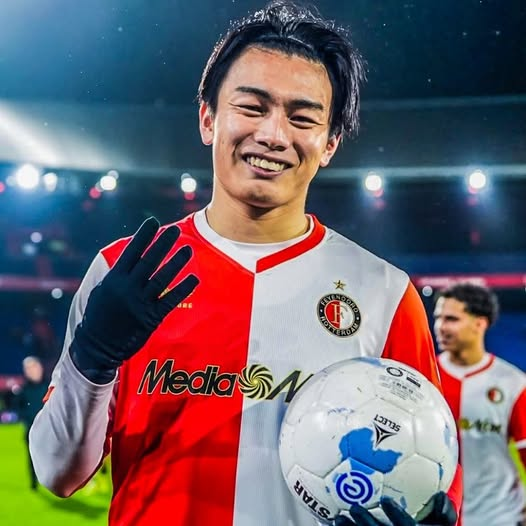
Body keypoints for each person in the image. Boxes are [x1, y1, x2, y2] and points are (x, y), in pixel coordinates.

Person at [29, 2, 461, 525]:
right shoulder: (123, 270)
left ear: (329, 144)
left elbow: (434, 468)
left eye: (302, 118)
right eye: (252, 107)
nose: (274, 135)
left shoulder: (383, 293)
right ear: (208, 118)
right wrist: (92, 362)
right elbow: (57, 472)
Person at [434, 283, 526, 526]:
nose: (440, 327)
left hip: (499, 518)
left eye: (451, 319)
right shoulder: (425, 378)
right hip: (438, 520)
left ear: (480, 323)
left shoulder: (513, 383)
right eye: (438, 318)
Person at [16, 356, 48, 490]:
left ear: (40, 368)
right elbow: (18, 409)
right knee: (33, 457)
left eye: (34, 367)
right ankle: (34, 483)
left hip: (49, 429)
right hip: (31, 429)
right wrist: (28, 418)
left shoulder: (50, 386)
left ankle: (53, 481)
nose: (32, 371)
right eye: (28, 369)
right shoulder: (23, 390)